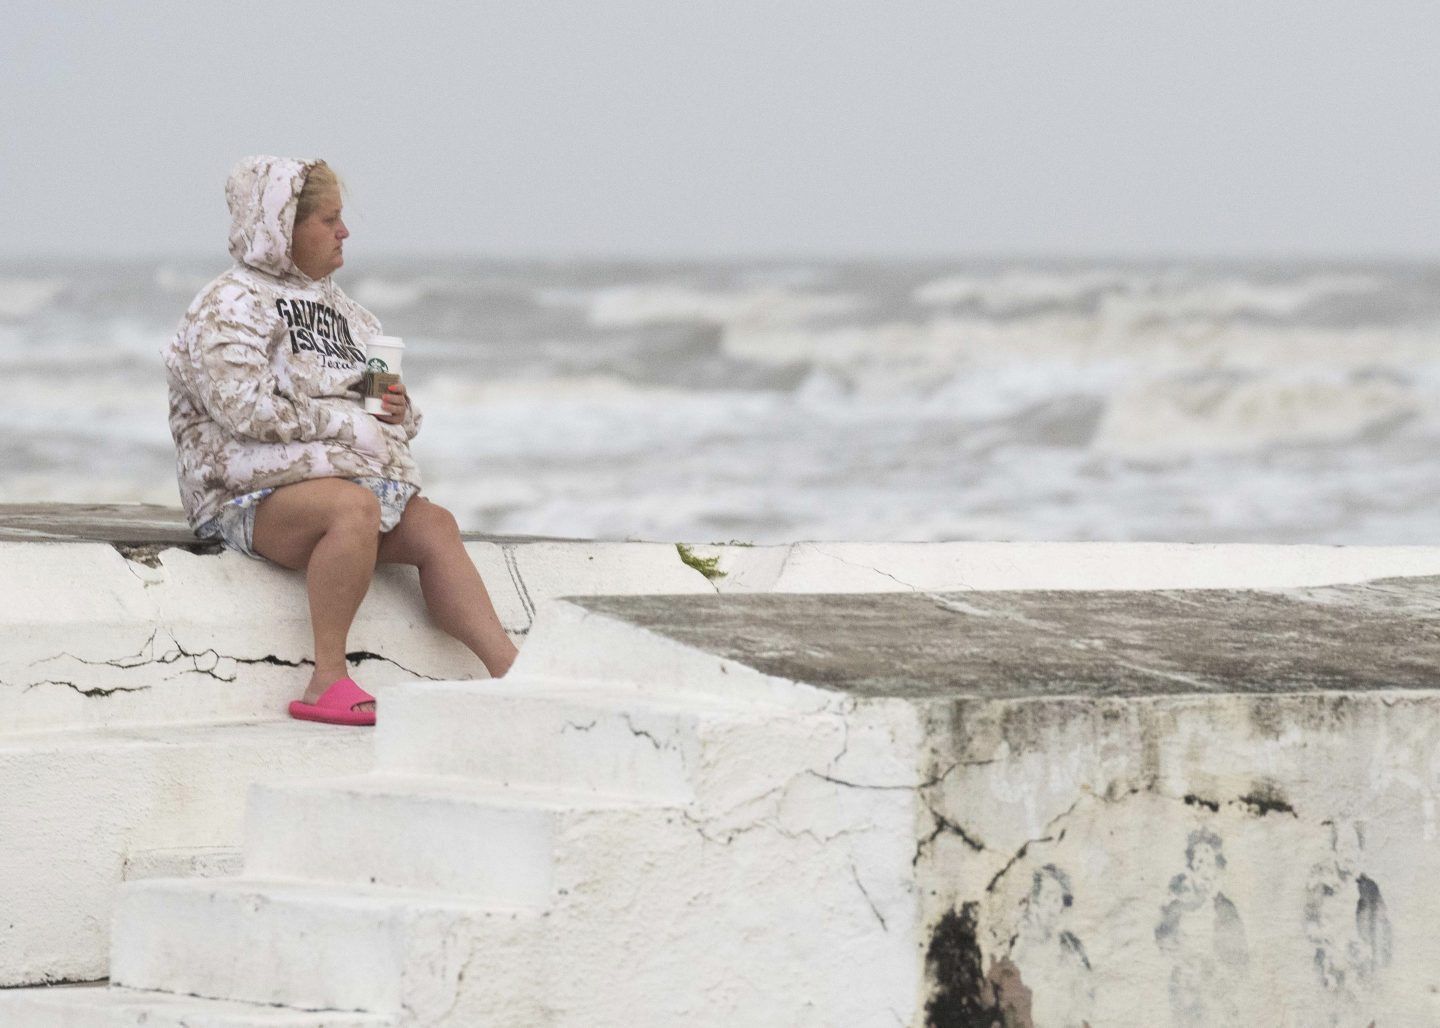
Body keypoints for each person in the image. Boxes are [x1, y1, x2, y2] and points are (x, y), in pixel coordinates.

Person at [164, 155, 517, 725]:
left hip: (335, 485)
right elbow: (242, 407)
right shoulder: (228, 305)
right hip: (239, 495)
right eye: (328, 219)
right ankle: (327, 677)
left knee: (433, 525)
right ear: (283, 227)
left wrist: (398, 411)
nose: (344, 231)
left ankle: (513, 672)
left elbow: (392, 414)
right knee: (353, 508)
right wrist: (343, 421)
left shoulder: (347, 312)